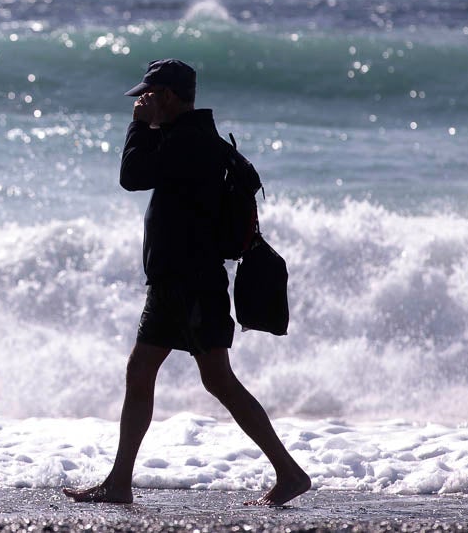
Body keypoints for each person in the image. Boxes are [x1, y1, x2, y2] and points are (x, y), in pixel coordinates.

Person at [63, 59, 310, 507]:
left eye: (148, 95)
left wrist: (137, 127)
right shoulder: (190, 139)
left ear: (168, 97)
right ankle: (119, 482)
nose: (142, 102)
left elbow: (131, 177)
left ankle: (289, 472)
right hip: (179, 283)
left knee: (216, 380)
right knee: (147, 372)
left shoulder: (189, 144)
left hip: (190, 285)